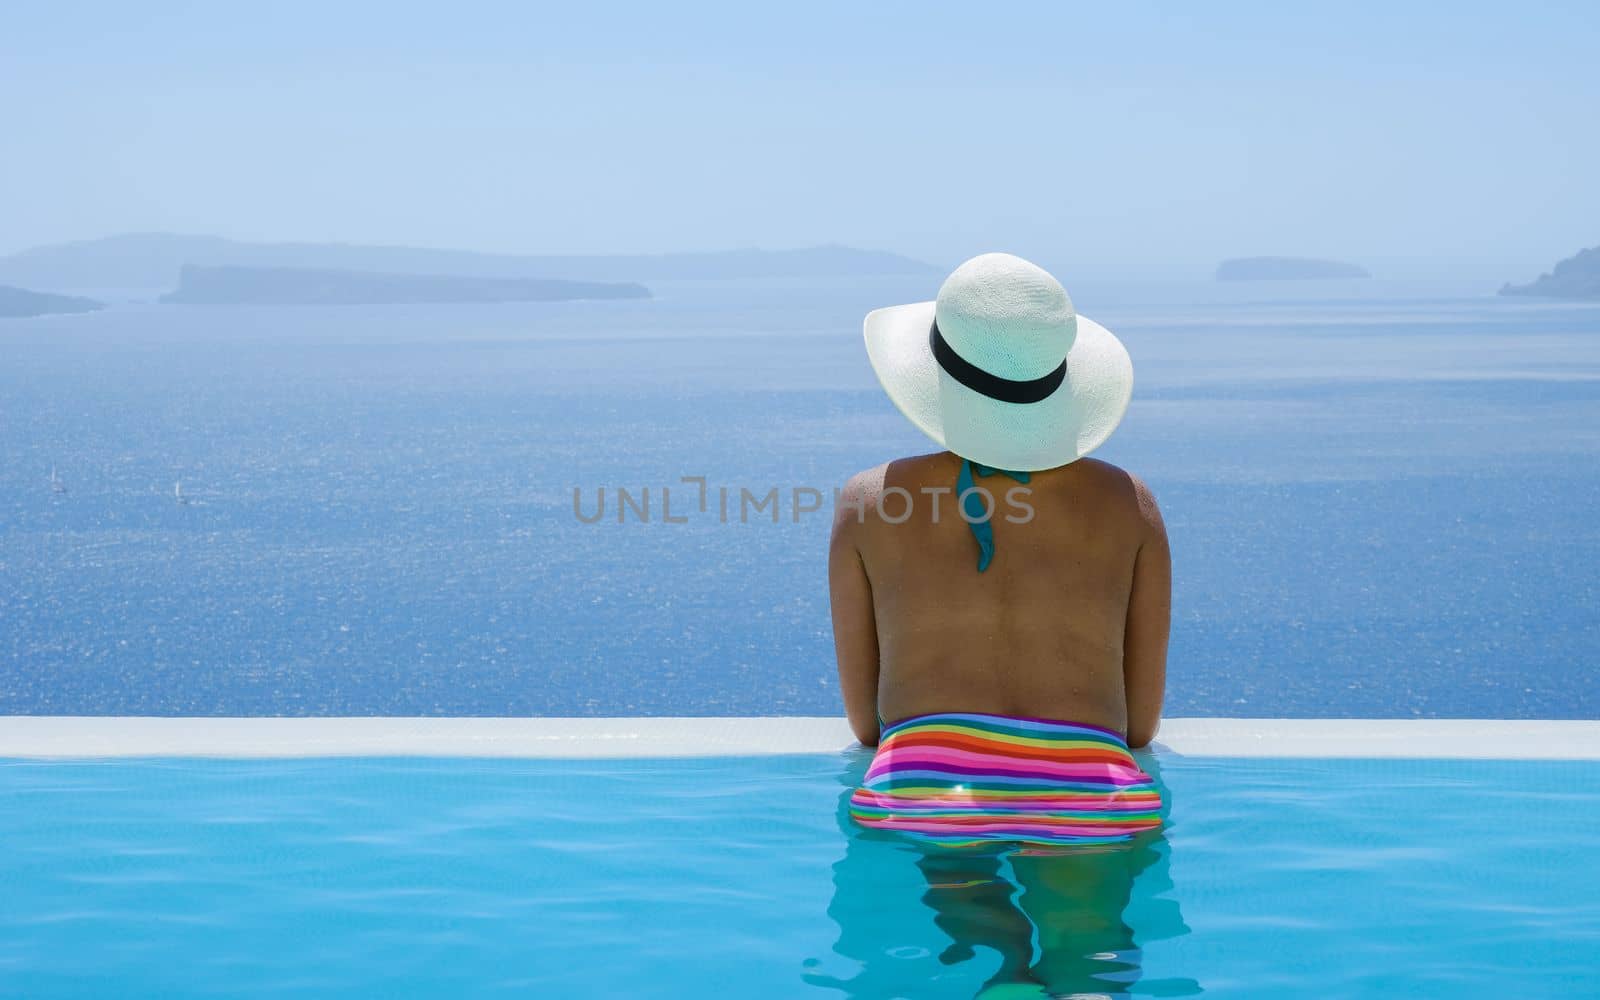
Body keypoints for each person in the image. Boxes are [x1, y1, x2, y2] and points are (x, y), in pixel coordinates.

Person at [829, 251, 1171, 849]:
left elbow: (865, 727)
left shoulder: (869, 501)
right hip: (1094, 785)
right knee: (1089, 945)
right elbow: (1139, 729)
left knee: (963, 936)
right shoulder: (1128, 502)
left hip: (923, 782)